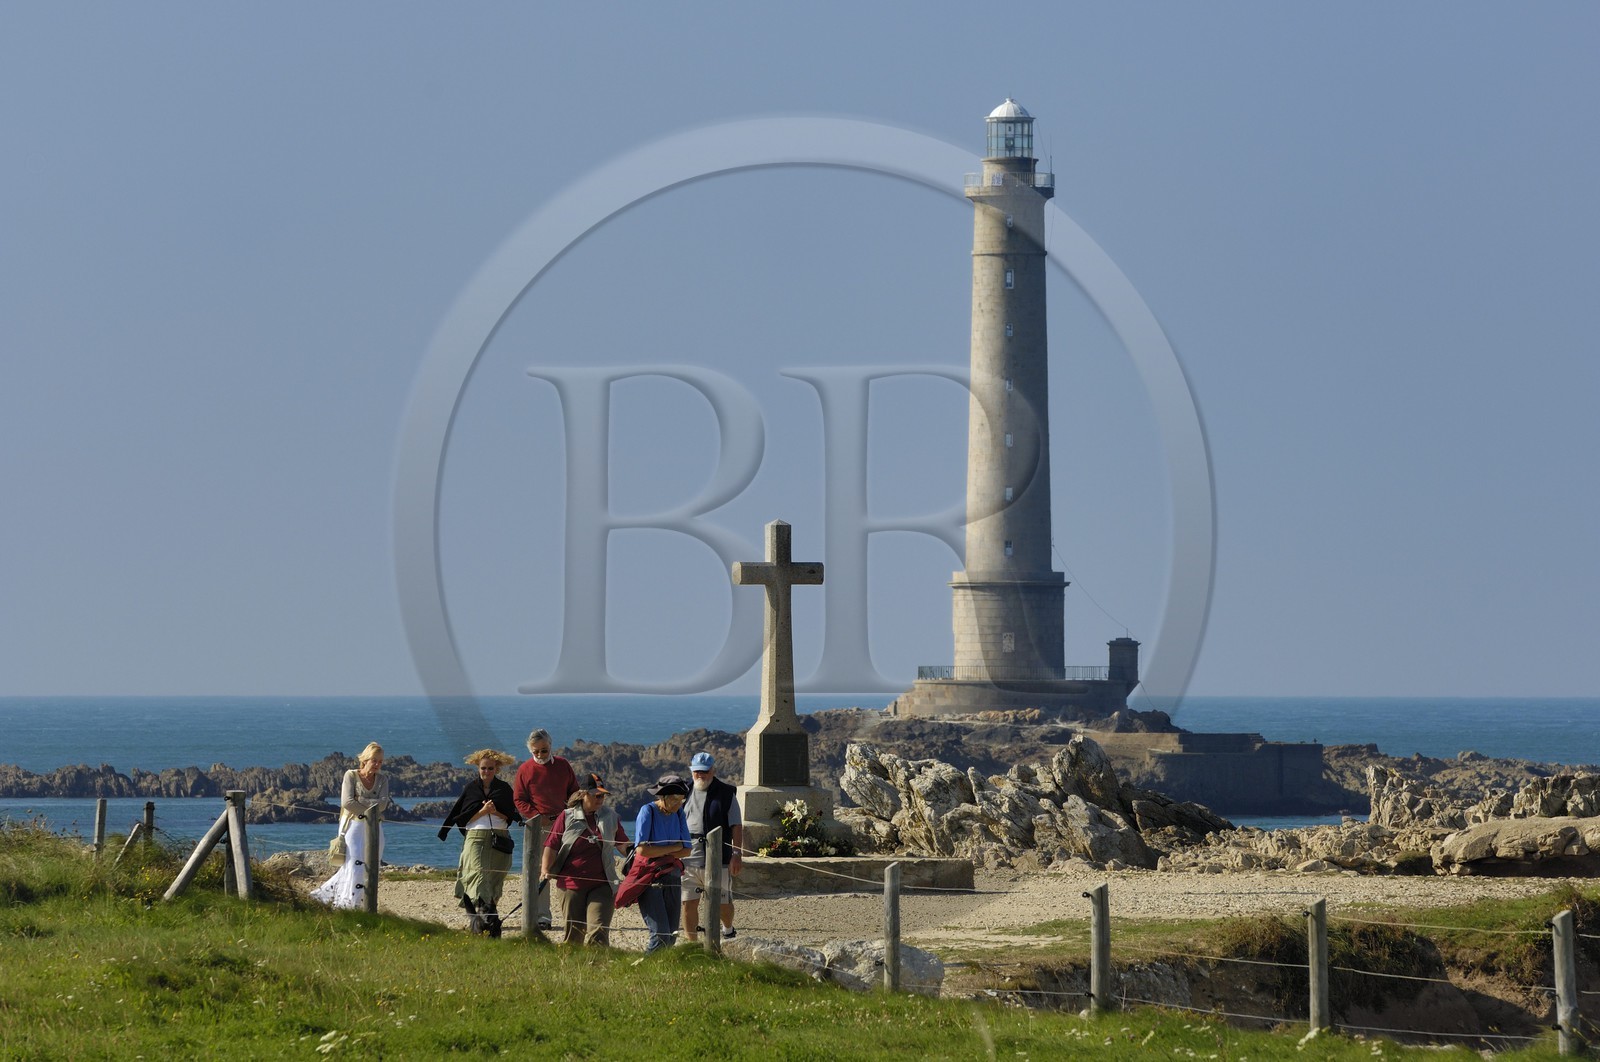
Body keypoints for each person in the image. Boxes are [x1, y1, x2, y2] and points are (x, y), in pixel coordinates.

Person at [438, 749, 522, 937]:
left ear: (496, 769)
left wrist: (495, 812)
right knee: (478, 876)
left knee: (494, 881)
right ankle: (484, 920)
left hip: (500, 838)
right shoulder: (471, 788)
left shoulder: (504, 789)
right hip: (475, 837)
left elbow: (510, 816)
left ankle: (486, 922)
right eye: (483, 768)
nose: (486, 772)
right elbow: (463, 818)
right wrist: (483, 811)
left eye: (490, 768)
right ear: (478, 768)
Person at [540, 772, 629, 946]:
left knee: (599, 932)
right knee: (574, 936)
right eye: (597, 795)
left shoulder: (610, 816)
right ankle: (574, 970)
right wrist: (545, 870)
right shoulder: (566, 816)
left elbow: (622, 844)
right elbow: (552, 845)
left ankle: (597, 969)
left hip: (603, 883)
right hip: (571, 884)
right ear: (583, 794)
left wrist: (638, 857)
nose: (601, 799)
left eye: (603, 795)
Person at [511, 728, 578, 931]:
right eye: (536, 751)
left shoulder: (563, 765)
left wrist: (567, 814)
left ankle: (573, 915)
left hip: (564, 825)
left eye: (544, 750)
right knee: (542, 872)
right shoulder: (525, 769)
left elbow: (574, 792)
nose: (540, 755)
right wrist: (537, 818)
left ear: (550, 746)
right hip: (539, 828)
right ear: (530, 750)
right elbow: (519, 799)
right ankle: (542, 916)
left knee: (571, 870)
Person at [311, 741, 389, 909]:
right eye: (374, 760)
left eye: (380, 761)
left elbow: (383, 804)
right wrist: (371, 808)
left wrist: (361, 802)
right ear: (365, 759)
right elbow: (347, 802)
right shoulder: (351, 776)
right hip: (353, 826)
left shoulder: (383, 779)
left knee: (373, 864)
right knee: (354, 865)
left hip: (375, 827)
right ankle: (349, 904)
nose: (377, 765)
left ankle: (358, 903)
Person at [681, 751, 743, 942]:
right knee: (687, 903)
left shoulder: (726, 793)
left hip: (719, 859)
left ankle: (728, 929)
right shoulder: (683, 791)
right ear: (692, 771)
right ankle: (692, 943)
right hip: (688, 858)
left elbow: (736, 825)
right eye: (697, 771)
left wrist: (736, 853)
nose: (701, 775)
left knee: (722, 903)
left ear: (713, 771)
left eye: (705, 771)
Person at [628, 774, 693, 953]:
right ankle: (644, 970)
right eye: (674, 799)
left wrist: (660, 850)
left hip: (672, 875)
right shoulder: (647, 811)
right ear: (662, 797)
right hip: (651, 877)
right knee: (660, 934)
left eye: (681, 799)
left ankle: (659, 970)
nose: (678, 803)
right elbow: (642, 850)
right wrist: (673, 848)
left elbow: (687, 850)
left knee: (672, 933)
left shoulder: (679, 813)